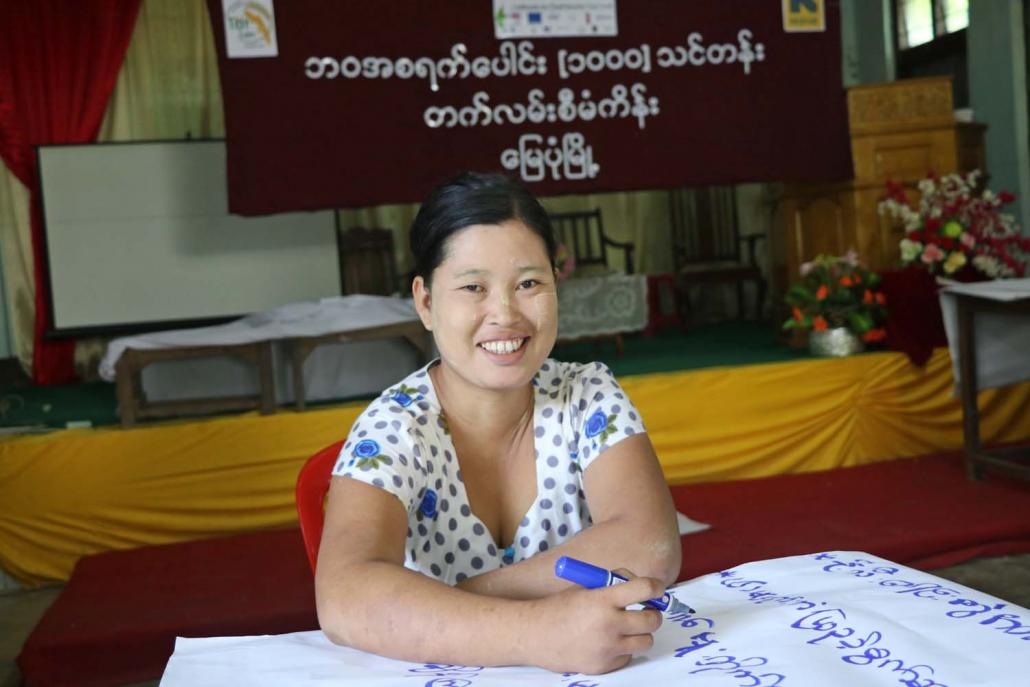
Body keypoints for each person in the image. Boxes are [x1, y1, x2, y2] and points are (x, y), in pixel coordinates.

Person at [316, 171, 681, 675]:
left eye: (529, 283)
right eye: (473, 287)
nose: (505, 314)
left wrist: (457, 601)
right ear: (425, 301)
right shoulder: (394, 429)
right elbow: (344, 596)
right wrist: (537, 632)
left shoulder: (588, 394)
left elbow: (649, 544)